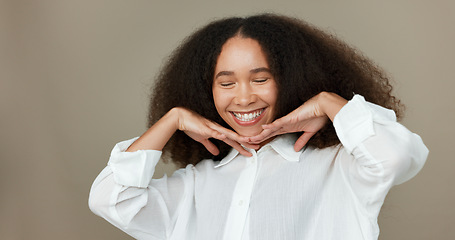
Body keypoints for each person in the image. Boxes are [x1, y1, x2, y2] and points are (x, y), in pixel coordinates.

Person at [89, 14, 428, 240]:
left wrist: (328, 103)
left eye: (261, 78)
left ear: (292, 80)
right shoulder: (195, 186)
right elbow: (110, 200)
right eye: (226, 84)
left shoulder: (340, 168)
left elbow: (396, 156)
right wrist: (172, 119)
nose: (244, 97)